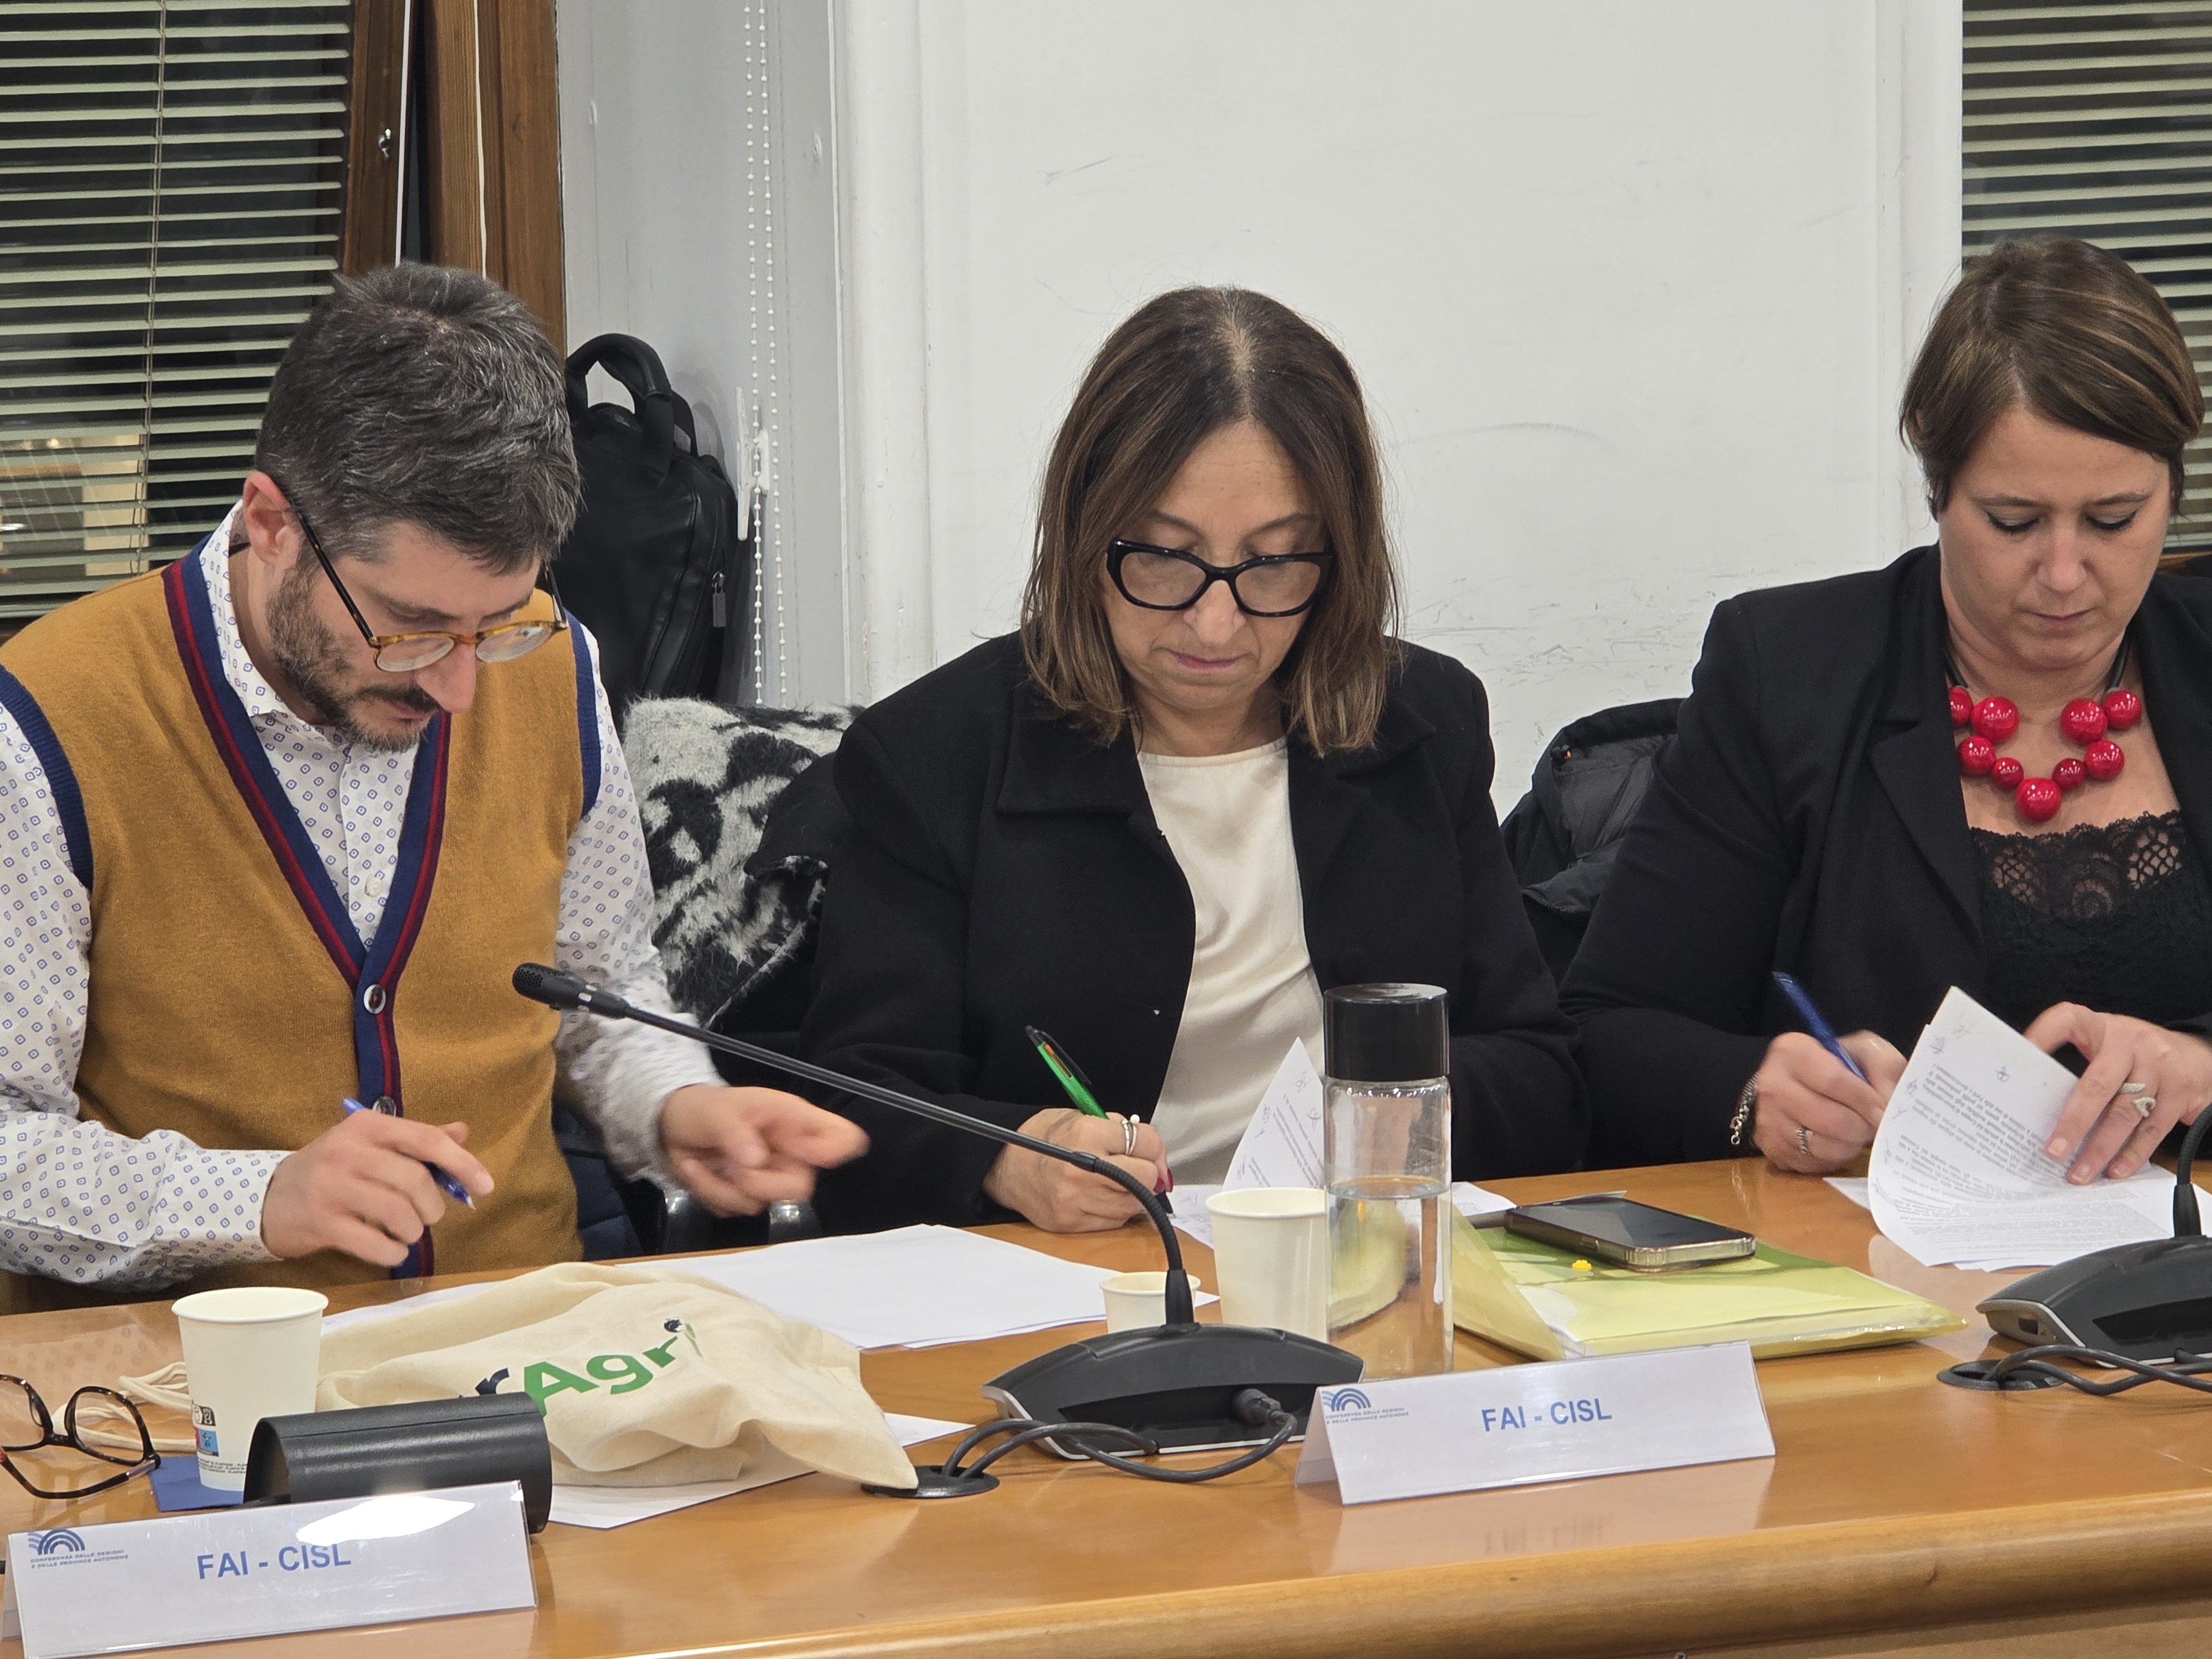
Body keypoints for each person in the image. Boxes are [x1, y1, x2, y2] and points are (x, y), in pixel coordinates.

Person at [0, 265, 865, 1310]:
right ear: (271, 523)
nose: (460, 687)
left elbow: (602, 989)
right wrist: (255, 1199)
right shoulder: (47, 725)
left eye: (494, 626)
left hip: (524, 1332)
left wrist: (677, 1106)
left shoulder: (554, 664)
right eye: (410, 629)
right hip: (194, 1372)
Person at [795, 286, 1584, 1234]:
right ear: (1084, 538)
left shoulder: (1420, 722)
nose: (1217, 624)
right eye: (1166, 558)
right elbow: (852, 1100)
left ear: (1340, 559)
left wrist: (1388, 1120)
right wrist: (1008, 1157)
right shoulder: (935, 753)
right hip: (1089, 1271)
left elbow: (1540, 1073)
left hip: (1356, 1252)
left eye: (1274, 564)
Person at [1563, 237, 2212, 1185]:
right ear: (1937, 487)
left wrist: (2202, 1064)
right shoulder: (1789, 674)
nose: (2066, 573)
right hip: (1876, 1251)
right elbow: (1606, 1033)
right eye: (2014, 522)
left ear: (2174, 489)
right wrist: (1754, 1090)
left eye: (2114, 520)